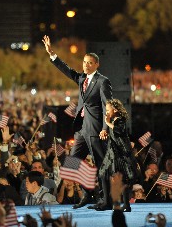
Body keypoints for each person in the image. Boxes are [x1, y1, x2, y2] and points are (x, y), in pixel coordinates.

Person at [42, 35, 113, 209]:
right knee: (72, 162)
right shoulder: (82, 79)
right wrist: (52, 54)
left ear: (97, 64)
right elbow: (67, 71)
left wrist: (105, 128)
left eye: (90, 63)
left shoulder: (102, 81)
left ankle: (106, 201)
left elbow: (107, 106)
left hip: (96, 130)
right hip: (81, 130)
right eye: (84, 62)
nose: (86, 65)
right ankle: (87, 194)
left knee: (101, 165)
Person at [99, 99, 137, 211]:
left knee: (122, 178)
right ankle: (107, 202)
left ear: (115, 110)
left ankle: (126, 205)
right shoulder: (114, 120)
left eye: (107, 109)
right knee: (103, 173)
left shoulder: (120, 120)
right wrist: (106, 133)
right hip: (112, 153)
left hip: (120, 154)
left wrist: (107, 123)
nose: (106, 111)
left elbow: (119, 131)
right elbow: (114, 135)